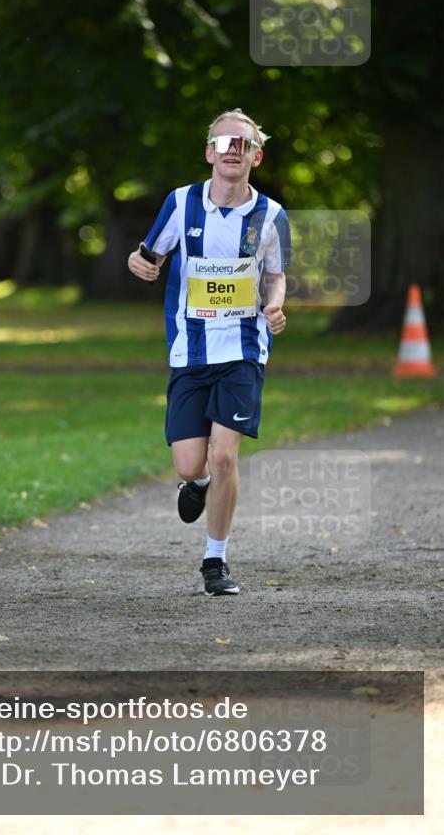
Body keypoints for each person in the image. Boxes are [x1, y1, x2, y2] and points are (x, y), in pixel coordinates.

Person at [128, 108, 290, 596]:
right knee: (189, 465)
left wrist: (275, 305)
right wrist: (139, 263)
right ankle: (195, 485)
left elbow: (276, 274)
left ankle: (214, 561)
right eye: (223, 143)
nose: (231, 151)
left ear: (256, 157)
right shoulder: (181, 203)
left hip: (243, 349)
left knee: (223, 457)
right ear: (208, 153)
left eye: (243, 144)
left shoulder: (271, 215)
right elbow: (148, 254)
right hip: (190, 351)